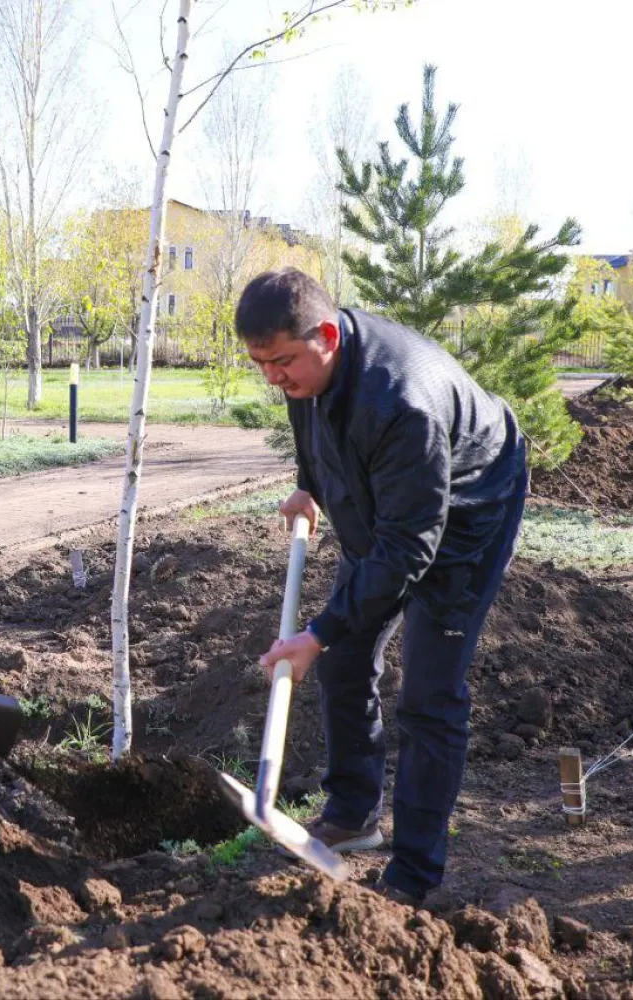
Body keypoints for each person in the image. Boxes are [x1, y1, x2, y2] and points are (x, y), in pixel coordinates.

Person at [238, 268, 528, 905]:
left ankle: (413, 873)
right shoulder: (305, 364)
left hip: (468, 516)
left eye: (281, 361)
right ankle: (353, 813)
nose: (272, 378)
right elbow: (311, 423)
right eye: (260, 364)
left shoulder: (400, 403)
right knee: (342, 656)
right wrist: (310, 484)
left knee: (428, 694)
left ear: (327, 337)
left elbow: (409, 548)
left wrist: (316, 631)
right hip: (396, 509)